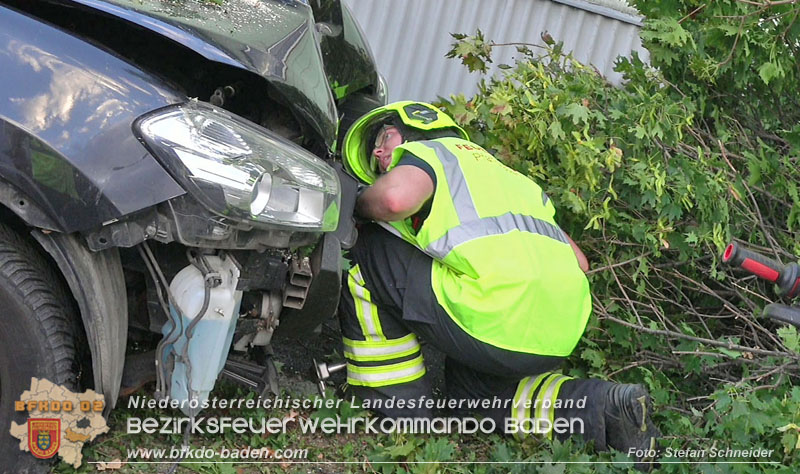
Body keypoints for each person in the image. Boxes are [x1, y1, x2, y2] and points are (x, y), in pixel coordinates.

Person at [338, 101, 660, 468]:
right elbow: (580, 263)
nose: (379, 151)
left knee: (366, 253)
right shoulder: (510, 177)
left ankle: (400, 414)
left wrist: (358, 204)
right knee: (470, 399)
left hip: (493, 319)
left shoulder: (429, 152)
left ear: (417, 128)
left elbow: (395, 199)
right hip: (556, 331)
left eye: (383, 137)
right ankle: (603, 407)